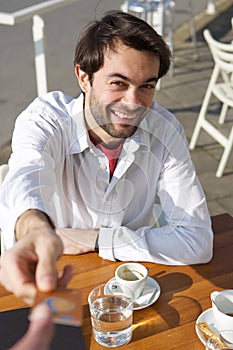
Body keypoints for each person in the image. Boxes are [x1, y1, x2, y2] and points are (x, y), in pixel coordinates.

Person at [0, 10, 213, 303]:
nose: (134, 103)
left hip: (132, 289)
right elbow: (27, 177)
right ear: (84, 78)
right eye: (118, 83)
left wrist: (95, 239)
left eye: (147, 86)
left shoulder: (165, 131)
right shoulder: (46, 120)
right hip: (55, 279)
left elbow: (197, 240)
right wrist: (37, 229)